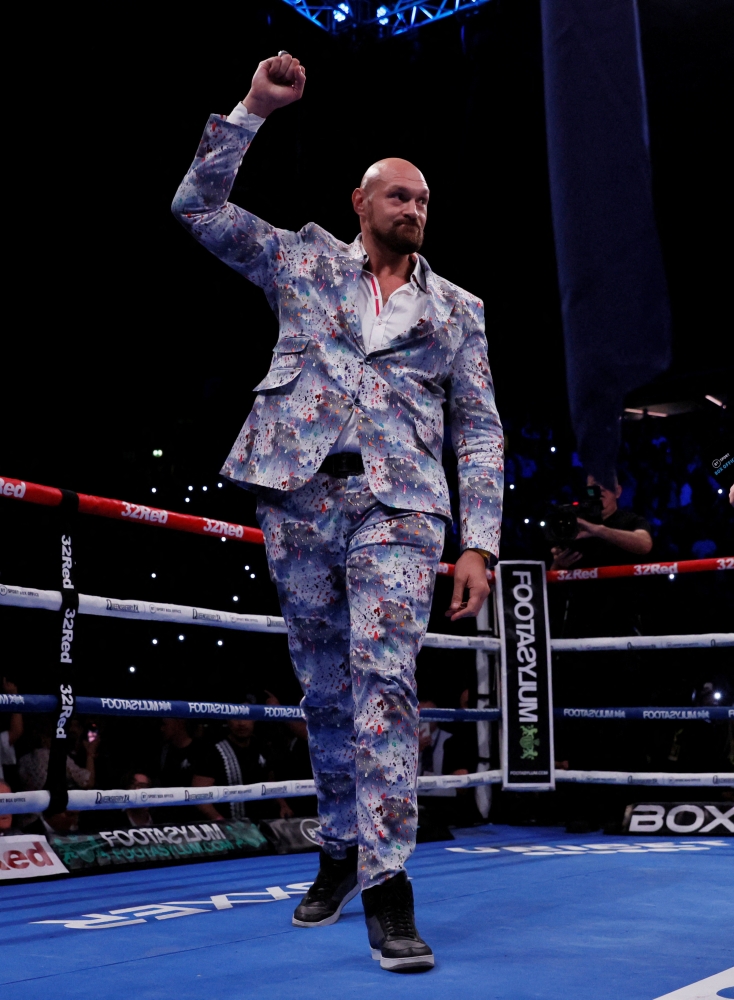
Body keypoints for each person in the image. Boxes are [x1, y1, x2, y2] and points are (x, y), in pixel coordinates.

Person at [172, 52, 503, 972]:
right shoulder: (302, 259)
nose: (414, 209)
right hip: (301, 492)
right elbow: (195, 211)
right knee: (323, 691)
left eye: (424, 200)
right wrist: (253, 108)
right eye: (398, 195)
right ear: (362, 202)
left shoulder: (459, 310)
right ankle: (339, 848)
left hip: (401, 505)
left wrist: (480, 541)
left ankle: (390, 886)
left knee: (385, 679)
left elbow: (478, 429)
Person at [190, 719, 286, 823]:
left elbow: (270, 781)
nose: (241, 723)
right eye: (236, 718)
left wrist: (283, 805)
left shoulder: (261, 746)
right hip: (231, 827)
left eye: (246, 718)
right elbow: (199, 795)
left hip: (262, 823)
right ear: (227, 721)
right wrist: (222, 822)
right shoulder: (212, 751)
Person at [550, 475, 653, 571]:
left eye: (606, 484)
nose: (600, 489)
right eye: (594, 486)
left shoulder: (632, 520)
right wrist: (559, 563)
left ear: (617, 491)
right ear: (587, 491)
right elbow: (552, 578)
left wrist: (598, 530)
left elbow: (645, 544)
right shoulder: (574, 523)